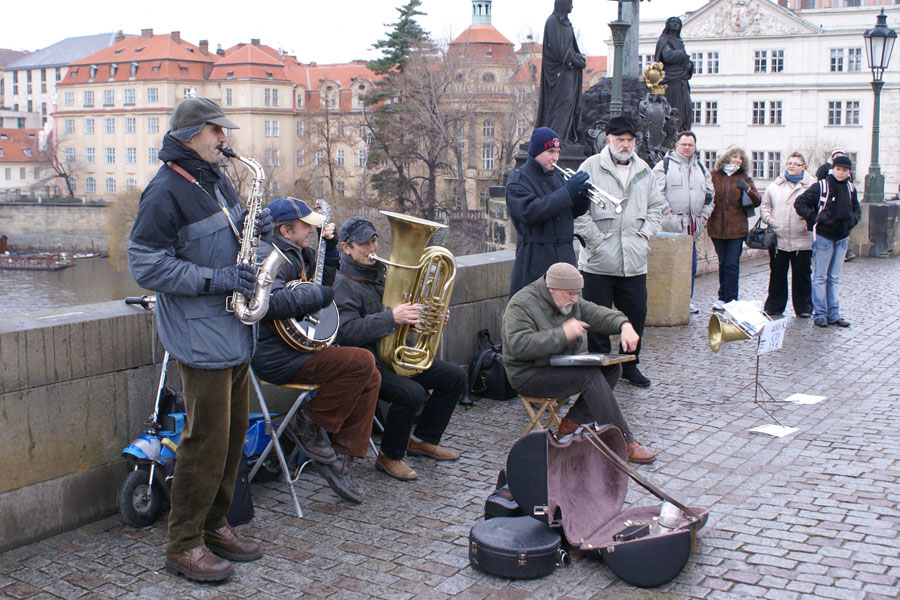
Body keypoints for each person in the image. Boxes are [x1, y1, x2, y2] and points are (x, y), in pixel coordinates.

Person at [128, 97, 265, 582]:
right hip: (199, 335)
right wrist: (215, 279)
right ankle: (182, 544)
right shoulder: (165, 190)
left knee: (231, 442)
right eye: (215, 131)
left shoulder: (215, 178)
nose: (224, 138)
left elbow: (233, 240)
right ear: (190, 134)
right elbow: (145, 264)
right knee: (203, 443)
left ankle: (214, 524)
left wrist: (258, 230)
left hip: (233, 329)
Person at [251, 196, 379, 504]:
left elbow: (324, 281)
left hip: (297, 348)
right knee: (361, 361)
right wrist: (316, 297)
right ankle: (304, 423)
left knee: (371, 376)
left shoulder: (295, 251)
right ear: (285, 230)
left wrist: (330, 249)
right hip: (276, 357)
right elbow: (273, 302)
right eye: (306, 226)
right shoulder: (267, 257)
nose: (311, 231)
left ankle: (341, 460)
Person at [332, 217, 466, 481]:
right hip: (366, 364)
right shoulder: (341, 284)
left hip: (391, 356)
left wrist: (430, 318)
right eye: (363, 244)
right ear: (346, 248)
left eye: (373, 241)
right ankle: (389, 457)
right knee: (411, 394)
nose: (372, 248)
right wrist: (392, 318)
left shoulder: (383, 275)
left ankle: (423, 439)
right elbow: (347, 332)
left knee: (455, 377)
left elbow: (402, 319)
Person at [502, 262, 656, 463]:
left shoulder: (569, 300)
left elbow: (597, 313)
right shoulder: (522, 304)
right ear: (552, 290)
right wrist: (563, 334)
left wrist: (624, 325)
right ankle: (624, 441)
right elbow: (519, 346)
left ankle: (573, 422)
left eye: (577, 293)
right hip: (528, 373)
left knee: (611, 368)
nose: (575, 299)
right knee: (589, 376)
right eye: (570, 294)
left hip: (558, 364)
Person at [574, 116, 664, 388]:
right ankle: (599, 369)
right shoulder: (590, 166)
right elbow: (577, 212)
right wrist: (597, 241)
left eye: (629, 140)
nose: (625, 145)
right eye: (619, 140)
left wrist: (645, 235)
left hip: (633, 261)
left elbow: (656, 207)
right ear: (608, 140)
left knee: (635, 315)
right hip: (598, 262)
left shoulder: (644, 170)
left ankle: (630, 365)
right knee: (598, 319)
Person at [506, 127, 591, 297]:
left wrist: (582, 198)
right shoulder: (518, 180)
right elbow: (530, 212)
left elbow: (567, 213)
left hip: (565, 258)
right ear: (536, 151)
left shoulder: (558, 176)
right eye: (550, 151)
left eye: (558, 152)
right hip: (535, 260)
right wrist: (567, 192)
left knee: (569, 312)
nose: (556, 157)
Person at [794, 155, 860, 328]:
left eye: (844, 170)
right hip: (824, 236)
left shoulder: (850, 188)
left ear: (849, 172)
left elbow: (856, 209)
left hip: (842, 237)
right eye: (838, 169)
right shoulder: (821, 186)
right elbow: (800, 203)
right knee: (821, 276)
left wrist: (852, 221)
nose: (841, 173)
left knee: (834, 277)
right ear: (833, 169)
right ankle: (820, 314)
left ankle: (834, 314)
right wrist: (816, 218)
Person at [652, 131, 714, 314]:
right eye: (684, 144)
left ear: (695, 147)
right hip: (670, 227)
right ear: (676, 145)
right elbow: (656, 193)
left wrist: (703, 217)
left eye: (690, 145)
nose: (687, 148)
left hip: (693, 227)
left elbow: (710, 196)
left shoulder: (701, 168)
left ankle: (686, 299)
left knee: (690, 266)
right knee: (667, 267)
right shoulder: (664, 166)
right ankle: (665, 302)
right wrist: (668, 214)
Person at [759, 153, 816, 318]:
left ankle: (804, 307)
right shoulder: (774, 185)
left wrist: (809, 222)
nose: (791, 166)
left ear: (803, 167)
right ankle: (774, 306)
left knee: (802, 274)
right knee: (777, 274)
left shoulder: (812, 185)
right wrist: (770, 220)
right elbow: (765, 206)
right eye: (789, 163)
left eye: (796, 164)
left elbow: (818, 208)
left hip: (802, 237)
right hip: (779, 236)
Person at [707, 145, 761, 311]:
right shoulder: (713, 176)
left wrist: (748, 189)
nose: (738, 160)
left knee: (732, 264)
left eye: (740, 158)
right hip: (717, 227)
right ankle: (722, 296)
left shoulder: (744, 178)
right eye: (734, 157)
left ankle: (731, 299)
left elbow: (757, 200)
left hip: (737, 228)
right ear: (726, 158)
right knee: (723, 263)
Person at [535, 0, 586, 145]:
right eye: (569, 3)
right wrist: (574, 61)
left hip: (569, 72)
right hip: (557, 73)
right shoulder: (552, 22)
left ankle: (565, 136)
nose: (572, 6)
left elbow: (571, 46)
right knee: (562, 102)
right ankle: (555, 137)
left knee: (570, 103)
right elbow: (558, 50)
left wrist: (578, 57)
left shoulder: (567, 24)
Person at [654, 17, 694, 132]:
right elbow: (666, 56)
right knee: (672, 106)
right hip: (669, 79)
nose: (676, 24)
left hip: (681, 79)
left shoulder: (680, 42)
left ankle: (682, 129)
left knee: (686, 108)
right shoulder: (664, 40)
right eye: (673, 22)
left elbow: (683, 59)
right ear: (668, 25)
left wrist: (689, 65)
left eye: (678, 22)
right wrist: (682, 55)